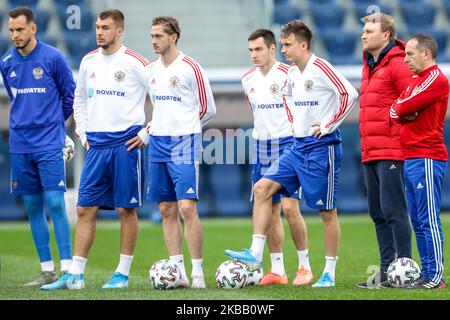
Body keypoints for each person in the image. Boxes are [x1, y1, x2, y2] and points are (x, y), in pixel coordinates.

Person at [226, 20, 358, 288]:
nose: (284, 49)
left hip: (322, 147)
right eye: (283, 44)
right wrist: (296, 125)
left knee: (326, 212)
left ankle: (327, 273)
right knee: (262, 190)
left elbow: (350, 93)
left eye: (287, 45)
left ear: (303, 44)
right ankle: (254, 253)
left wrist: (329, 124)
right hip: (296, 147)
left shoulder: (320, 67)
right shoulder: (293, 75)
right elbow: (287, 98)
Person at [41, 9, 150, 290]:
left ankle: (122, 274)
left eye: (105, 27)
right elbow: (79, 102)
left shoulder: (136, 62)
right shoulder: (88, 61)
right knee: (84, 208)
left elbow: (161, 98)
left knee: (126, 210)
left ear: (119, 31)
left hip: (126, 144)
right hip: (96, 146)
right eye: (98, 27)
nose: (99, 32)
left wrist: (146, 132)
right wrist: (84, 134)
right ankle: (75, 275)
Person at [0, 6, 74, 287]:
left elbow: (69, 96)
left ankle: (68, 269)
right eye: (11, 30)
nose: (15, 35)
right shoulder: (6, 61)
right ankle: (47, 269)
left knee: (55, 202)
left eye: (20, 29)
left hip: (48, 143)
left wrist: (55, 126)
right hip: (20, 145)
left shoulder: (54, 58)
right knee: (32, 206)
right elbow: (16, 98)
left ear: (33, 28)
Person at [146, 16, 216, 289]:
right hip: (158, 143)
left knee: (187, 207)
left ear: (173, 37)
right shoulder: (150, 70)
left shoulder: (190, 67)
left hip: (184, 141)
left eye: (159, 36)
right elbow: (159, 109)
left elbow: (208, 108)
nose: (154, 41)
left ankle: (197, 271)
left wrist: (186, 128)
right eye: (152, 36)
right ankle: (177, 271)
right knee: (165, 208)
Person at [242, 29, 312, 286]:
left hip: (288, 144)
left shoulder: (289, 75)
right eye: (250, 50)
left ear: (272, 49)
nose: (254, 55)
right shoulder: (247, 79)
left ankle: (304, 266)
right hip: (261, 146)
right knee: (269, 210)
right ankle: (278, 270)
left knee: (290, 207)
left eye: (259, 49)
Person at [357, 13, 413, 289]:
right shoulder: (369, 63)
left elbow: (413, 101)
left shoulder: (399, 63)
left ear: (386, 35)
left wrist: (398, 131)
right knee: (378, 212)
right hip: (371, 149)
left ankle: (405, 269)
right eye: (363, 30)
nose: (363, 34)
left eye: (369, 30)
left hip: (391, 149)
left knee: (394, 210)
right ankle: (386, 270)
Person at [390, 34, 448, 290]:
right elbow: (394, 110)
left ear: (426, 53)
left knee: (428, 218)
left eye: (410, 54)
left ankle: (435, 276)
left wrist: (404, 108)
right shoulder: (415, 81)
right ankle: (426, 273)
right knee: (417, 218)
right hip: (411, 156)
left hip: (427, 155)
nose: (406, 60)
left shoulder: (436, 79)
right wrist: (404, 108)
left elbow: (401, 108)